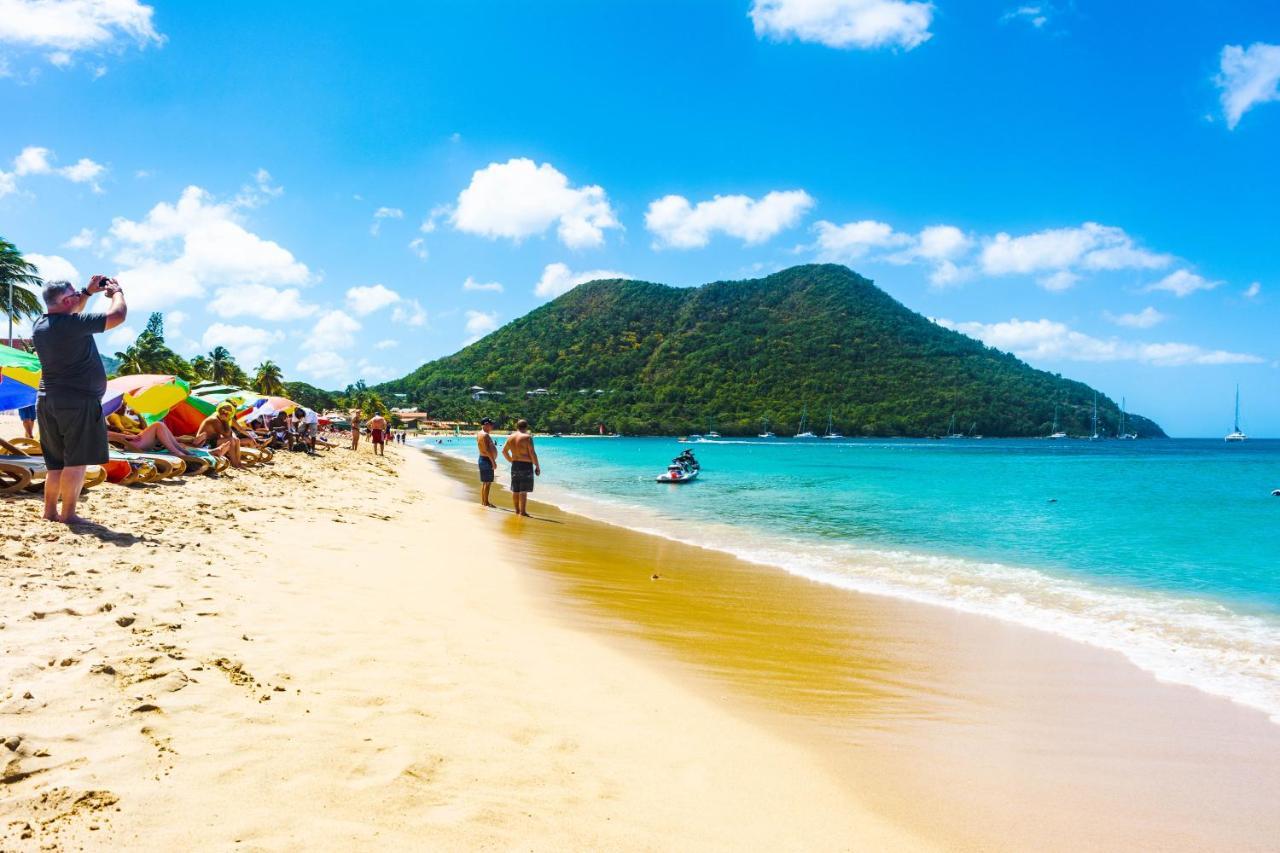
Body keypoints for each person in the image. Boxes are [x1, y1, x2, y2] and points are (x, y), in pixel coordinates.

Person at [31, 276, 127, 524]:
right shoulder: (71, 325)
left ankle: (50, 512)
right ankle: (69, 514)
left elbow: (72, 308)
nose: (77, 297)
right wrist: (117, 292)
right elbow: (117, 316)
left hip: (48, 399)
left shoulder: (41, 324)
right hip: (77, 402)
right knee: (76, 462)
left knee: (55, 465)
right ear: (64, 300)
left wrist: (86, 292)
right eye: (73, 294)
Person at [501, 418, 540, 517]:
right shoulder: (527, 437)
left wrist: (511, 460)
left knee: (516, 489)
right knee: (523, 490)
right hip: (526, 465)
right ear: (526, 427)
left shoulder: (511, 437)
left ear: (516, 427)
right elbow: (532, 453)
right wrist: (537, 466)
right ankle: (523, 512)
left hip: (515, 465)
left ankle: (517, 510)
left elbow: (504, 451)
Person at [191, 402, 246, 468]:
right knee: (230, 440)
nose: (225, 413)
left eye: (228, 412)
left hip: (210, 441)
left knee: (237, 440)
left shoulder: (220, 417)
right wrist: (225, 421)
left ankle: (238, 463)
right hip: (203, 444)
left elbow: (229, 434)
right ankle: (235, 464)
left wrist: (225, 420)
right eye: (223, 411)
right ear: (219, 409)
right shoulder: (214, 419)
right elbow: (227, 435)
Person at [475, 417, 499, 507]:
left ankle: (484, 501)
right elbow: (487, 450)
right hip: (486, 460)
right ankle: (486, 502)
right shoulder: (485, 435)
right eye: (490, 424)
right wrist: (493, 462)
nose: (492, 426)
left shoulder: (479, 434)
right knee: (487, 483)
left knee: (485, 482)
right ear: (485, 424)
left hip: (483, 459)